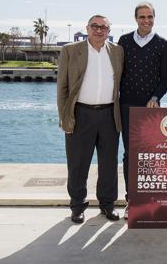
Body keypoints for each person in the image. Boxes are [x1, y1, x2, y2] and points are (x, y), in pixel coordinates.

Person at [57, 14, 124, 224]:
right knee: (78, 163)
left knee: (109, 164)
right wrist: (65, 117)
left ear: (108, 31)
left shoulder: (117, 51)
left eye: (103, 27)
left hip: (109, 114)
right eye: (94, 26)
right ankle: (77, 206)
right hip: (80, 113)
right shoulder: (70, 50)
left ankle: (107, 204)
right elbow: (62, 88)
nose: (99, 30)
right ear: (87, 28)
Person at [118, 2, 167, 219]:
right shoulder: (124, 42)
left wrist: (155, 97)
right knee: (130, 154)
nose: (146, 20)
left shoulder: (162, 44)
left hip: (150, 108)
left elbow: (165, 78)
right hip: (126, 106)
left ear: (154, 18)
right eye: (142, 17)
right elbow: (118, 72)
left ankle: (149, 199)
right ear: (135, 18)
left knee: (149, 155)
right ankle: (132, 200)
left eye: (149, 16)